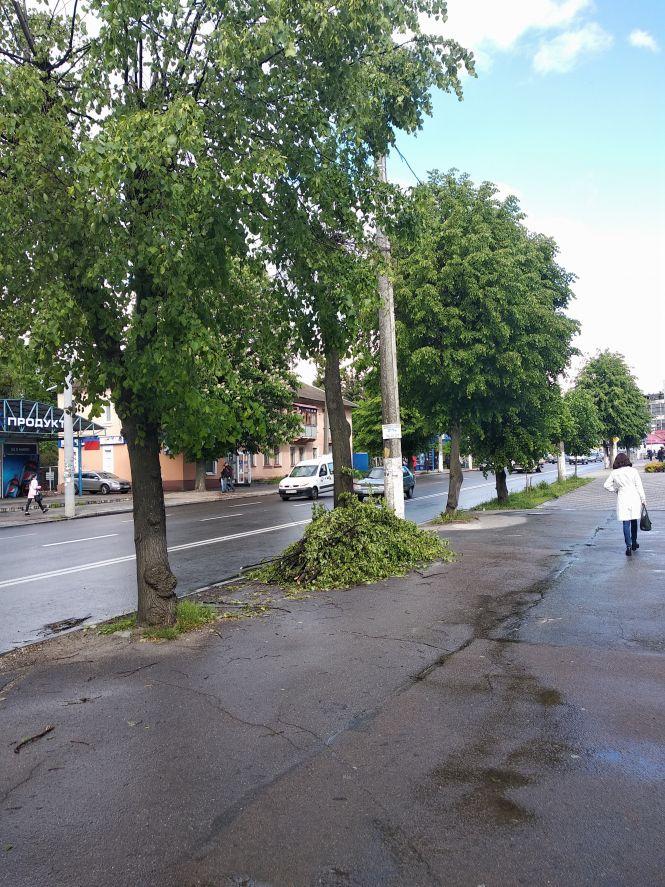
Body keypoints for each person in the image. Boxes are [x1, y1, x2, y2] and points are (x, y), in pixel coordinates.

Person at [603, 452, 646, 556]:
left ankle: (628, 546)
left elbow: (606, 485)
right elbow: (639, 485)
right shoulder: (633, 471)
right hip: (634, 497)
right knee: (634, 520)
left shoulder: (615, 473)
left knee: (625, 523)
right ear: (627, 460)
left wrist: (616, 489)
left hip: (623, 498)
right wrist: (643, 499)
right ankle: (634, 542)